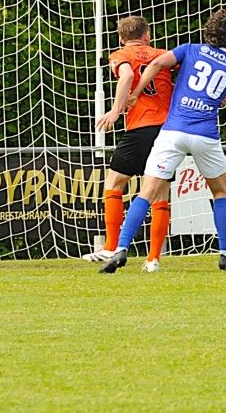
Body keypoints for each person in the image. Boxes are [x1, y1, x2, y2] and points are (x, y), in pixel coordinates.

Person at [101, 9, 226, 273]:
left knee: (146, 191)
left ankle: (120, 249)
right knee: (220, 191)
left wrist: (134, 94)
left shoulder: (189, 49)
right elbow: (220, 97)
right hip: (205, 134)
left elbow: (157, 66)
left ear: (207, 31)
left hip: (173, 130)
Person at [91, 16, 175, 269]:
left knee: (114, 183)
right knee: (161, 193)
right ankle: (153, 259)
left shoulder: (121, 54)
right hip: (168, 130)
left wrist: (116, 110)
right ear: (147, 34)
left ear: (120, 37)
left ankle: (110, 247)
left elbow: (127, 76)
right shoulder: (164, 55)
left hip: (140, 126)